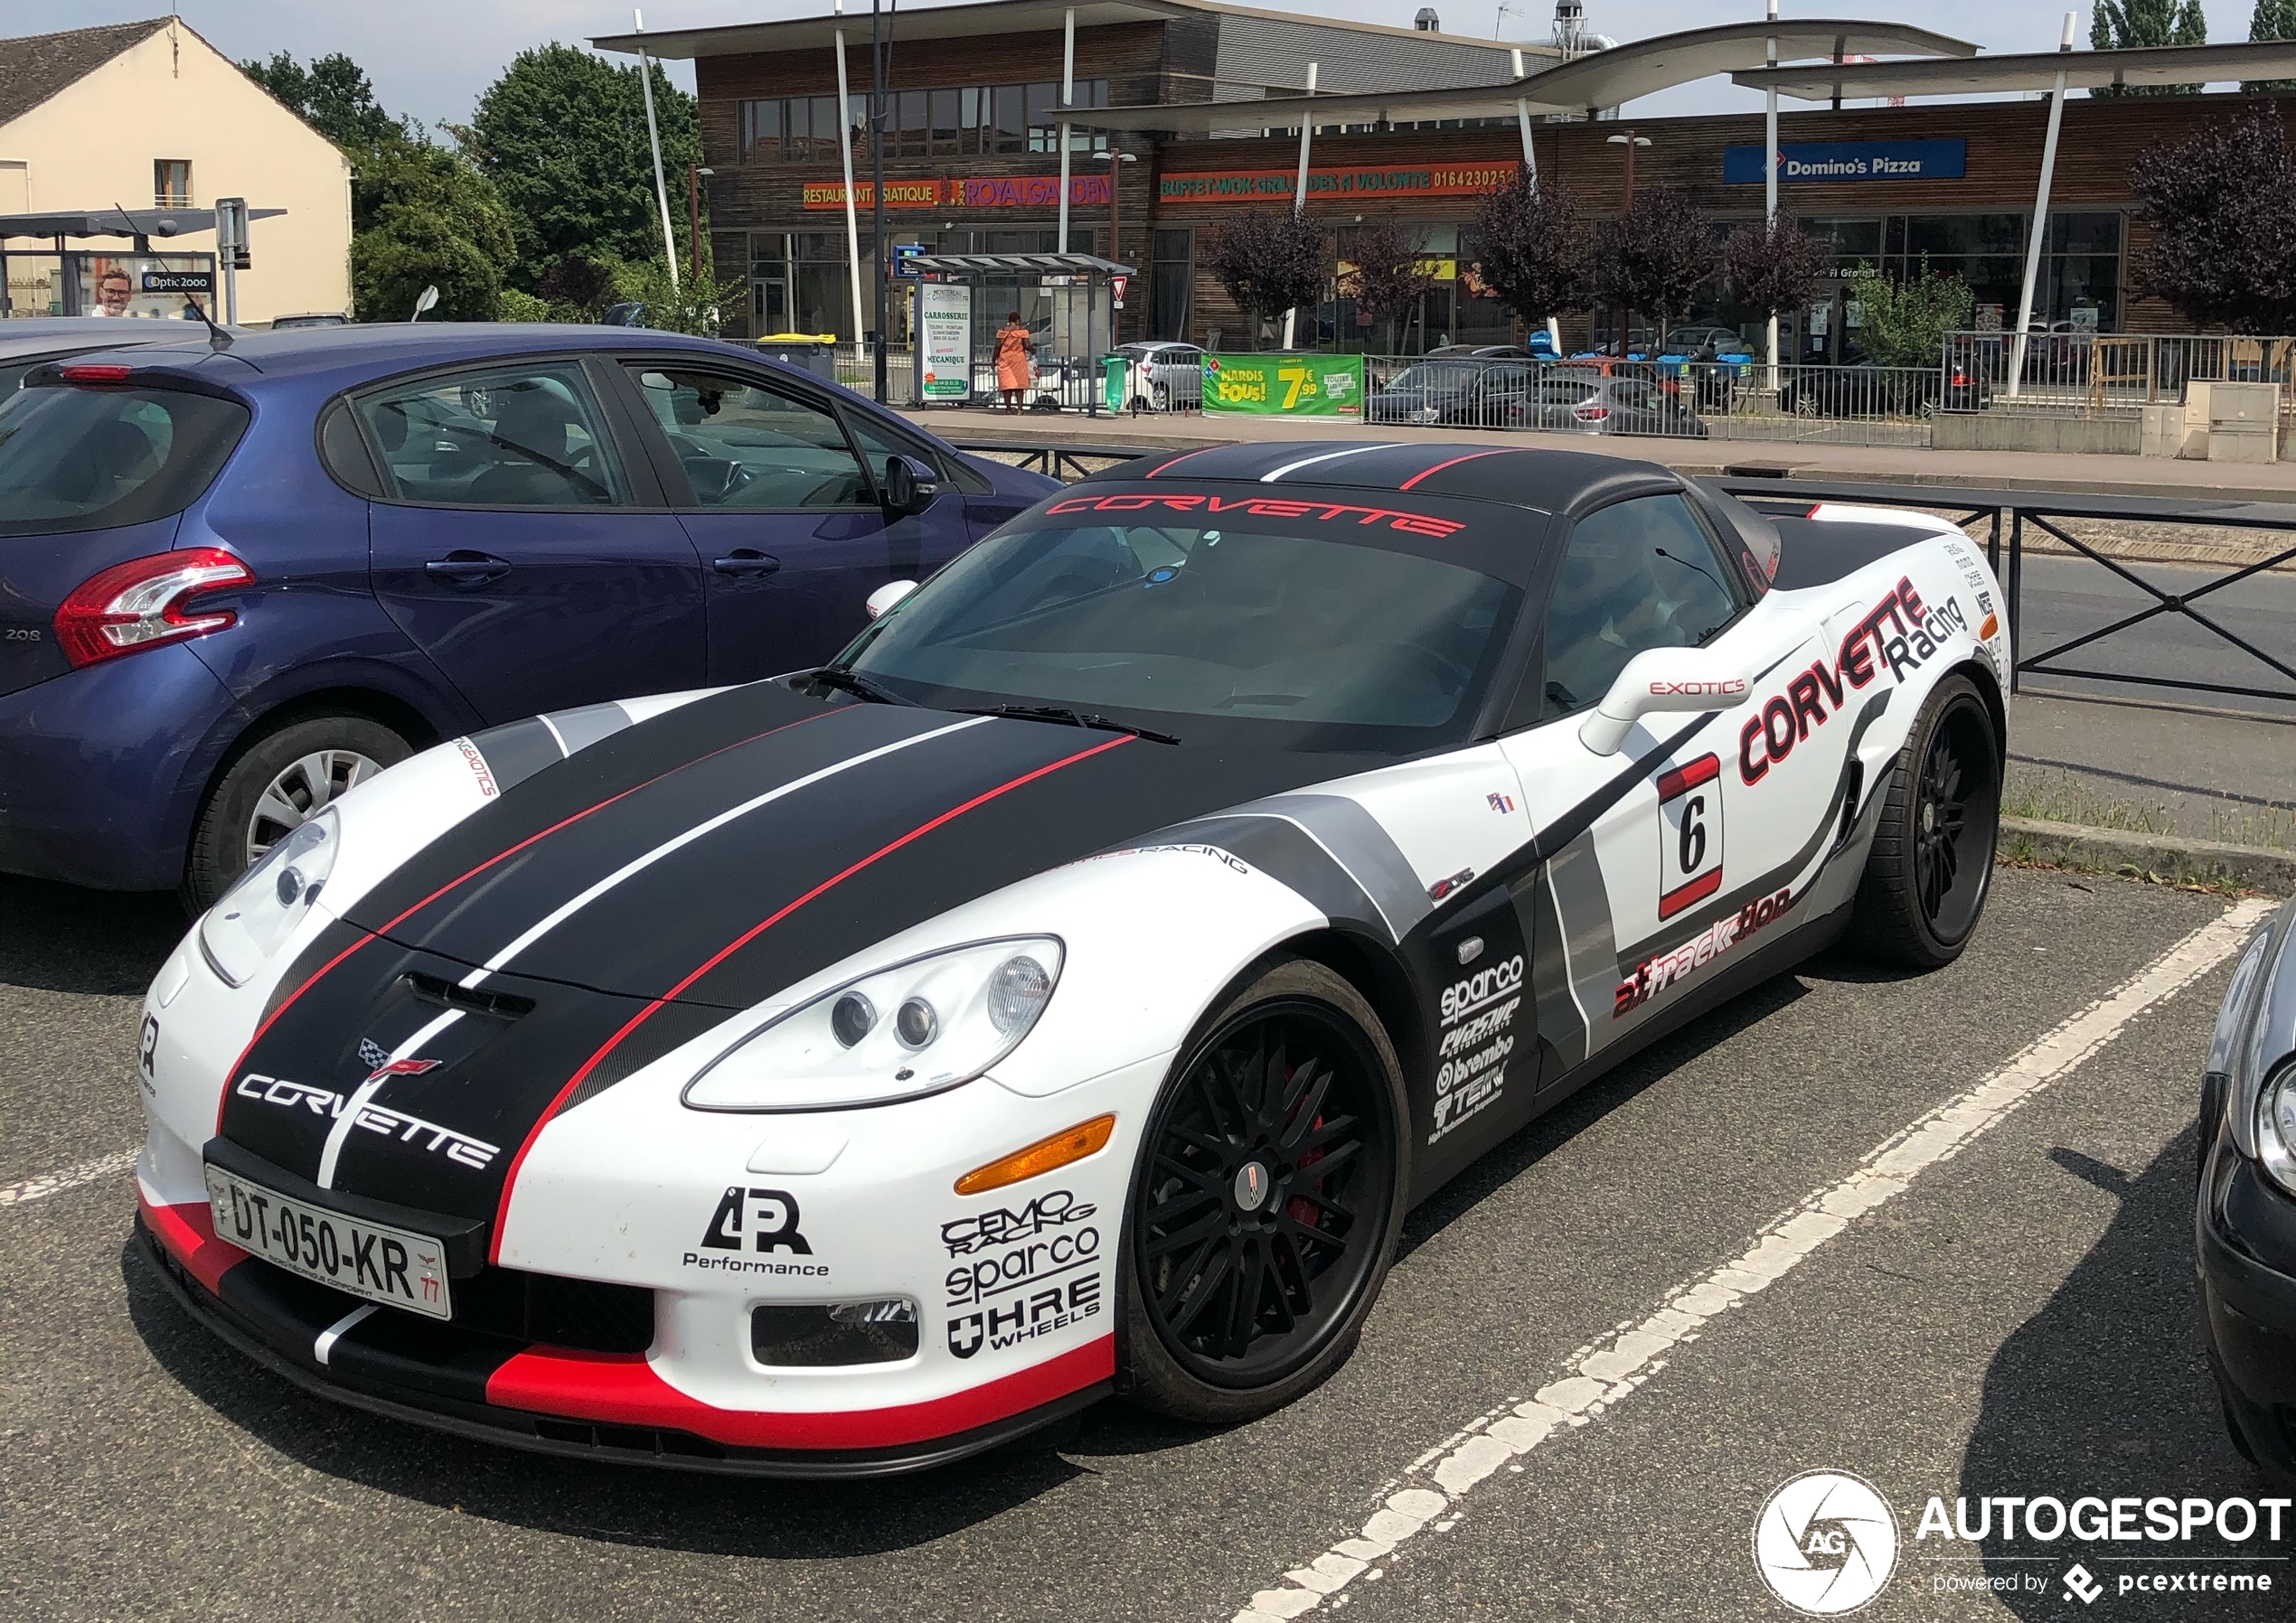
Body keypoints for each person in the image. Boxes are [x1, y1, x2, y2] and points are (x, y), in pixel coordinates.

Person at [994, 311, 1032, 411]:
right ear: (1018, 320)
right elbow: (1027, 346)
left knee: (1007, 385)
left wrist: (993, 360)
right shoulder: (1022, 332)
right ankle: (1020, 409)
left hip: (1005, 360)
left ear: (1009, 320)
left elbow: (997, 347)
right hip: (1018, 361)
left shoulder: (1001, 331)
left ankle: (1008, 409)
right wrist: (1033, 350)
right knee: (1019, 385)